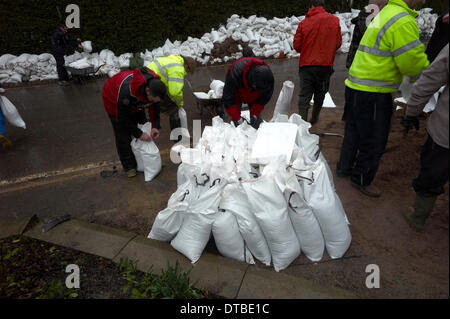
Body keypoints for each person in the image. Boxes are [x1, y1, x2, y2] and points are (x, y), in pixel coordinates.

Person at [336, 0, 429, 198]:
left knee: (353, 131)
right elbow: (411, 63)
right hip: (374, 91)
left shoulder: (385, 12)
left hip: (354, 85)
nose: (423, 1)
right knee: (374, 139)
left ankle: (343, 169)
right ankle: (361, 179)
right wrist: (427, 75)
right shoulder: (403, 21)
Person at [401, 44, 448, 231]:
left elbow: (429, 82)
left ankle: (418, 218)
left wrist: (411, 112)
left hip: (445, 135)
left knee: (433, 174)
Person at [102, 67, 166, 178]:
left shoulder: (154, 88)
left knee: (144, 125)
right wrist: (139, 134)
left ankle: (149, 160)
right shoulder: (126, 92)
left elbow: (154, 107)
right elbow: (122, 118)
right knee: (123, 134)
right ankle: (129, 166)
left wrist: (154, 126)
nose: (155, 102)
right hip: (112, 99)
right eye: (153, 99)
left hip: (135, 102)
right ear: (147, 91)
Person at [293, 0, 342, 125]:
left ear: (311, 6)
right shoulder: (335, 21)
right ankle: (314, 119)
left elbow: (297, 46)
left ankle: (303, 124)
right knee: (320, 94)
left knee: (304, 96)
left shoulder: (304, 23)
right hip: (325, 66)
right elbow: (338, 43)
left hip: (307, 66)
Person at [147, 55, 196, 140]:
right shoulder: (178, 68)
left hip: (148, 80)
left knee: (156, 109)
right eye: (188, 71)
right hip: (151, 87)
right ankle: (178, 138)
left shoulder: (172, 60)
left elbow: (169, 86)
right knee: (174, 110)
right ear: (186, 66)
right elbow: (174, 92)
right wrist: (180, 104)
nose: (186, 73)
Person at [222, 57, 274, 129]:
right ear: (252, 83)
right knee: (235, 123)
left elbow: (264, 98)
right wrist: (237, 118)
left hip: (254, 96)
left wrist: (254, 113)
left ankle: (257, 134)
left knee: (257, 121)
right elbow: (228, 99)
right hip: (237, 94)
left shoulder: (268, 79)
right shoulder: (234, 73)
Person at [346, 0, 388, 69]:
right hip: (359, 63)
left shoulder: (374, 14)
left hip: (364, 62)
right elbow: (371, 35)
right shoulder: (367, 14)